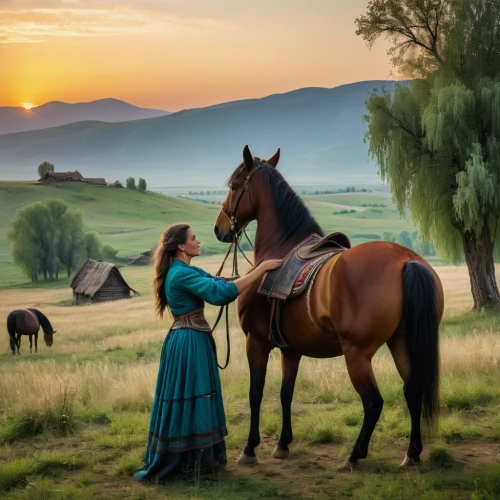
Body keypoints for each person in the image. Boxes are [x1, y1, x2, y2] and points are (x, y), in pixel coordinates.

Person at [135, 223, 282, 481]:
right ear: (181, 246)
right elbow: (219, 293)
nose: (199, 241)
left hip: (191, 339)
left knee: (193, 397)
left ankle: (199, 459)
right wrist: (261, 270)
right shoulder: (180, 274)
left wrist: (252, 271)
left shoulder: (184, 269)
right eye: (194, 238)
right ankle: (189, 462)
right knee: (192, 396)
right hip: (188, 342)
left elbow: (219, 281)